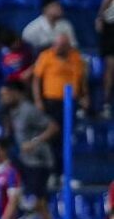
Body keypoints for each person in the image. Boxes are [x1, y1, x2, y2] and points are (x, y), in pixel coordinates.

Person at [0, 81, 58, 219]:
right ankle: (28, 209)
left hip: (38, 161)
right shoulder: (11, 112)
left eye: (5, 94)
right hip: (24, 160)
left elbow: (53, 127)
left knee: (39, 200)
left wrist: (34, 142)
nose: (2, 98)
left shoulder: (29, 110)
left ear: (16, 93)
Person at [32, 33, 88, 178]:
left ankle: (66, 174)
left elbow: (82, 80)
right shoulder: (46, 56)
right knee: (53, 138)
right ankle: (54, 173)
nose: (57, 48)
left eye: (62, 46)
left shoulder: (76, 57)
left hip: (71, 103)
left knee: (68, 138)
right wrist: (38, 100)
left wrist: (84, 96)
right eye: (56, 45)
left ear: (67, 46)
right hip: (51, 103)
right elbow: (36, 80)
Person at [97, 0, 114, 118]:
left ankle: (106, 105)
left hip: (111, 25)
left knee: (110, 66)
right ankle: (107, 104)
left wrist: (100, 16)